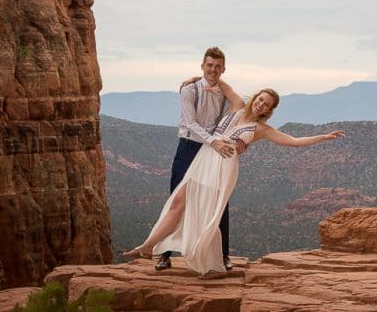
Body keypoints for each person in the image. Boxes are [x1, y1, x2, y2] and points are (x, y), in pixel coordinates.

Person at [123, 88, 345, 279]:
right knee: (178, 202)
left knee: (207, 213)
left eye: (266, 105)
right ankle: (150, 245)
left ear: (268, 110)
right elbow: (219, 81)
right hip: (203, 161)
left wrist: (323, 137)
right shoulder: (237, 105)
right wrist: (191, 81)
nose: (261, 105)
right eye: (260, 99)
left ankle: (213, 265)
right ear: (255, 97)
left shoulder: (261, 129)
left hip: (222, 168)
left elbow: (294, 142)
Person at [155, 46, 244, 272]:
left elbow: (242, 107)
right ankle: (164, 254)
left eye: (217, 67)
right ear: (202, 66)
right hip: (189, 147)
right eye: (209, 65)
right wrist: (213, 141)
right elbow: (191, 123)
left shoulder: (225, 93)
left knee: (218, 199)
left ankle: (223, 255)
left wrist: (240, 139)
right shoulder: (189, 89)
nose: (212, 70)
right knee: (177, 199)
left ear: (223, 69)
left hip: (212, 151)